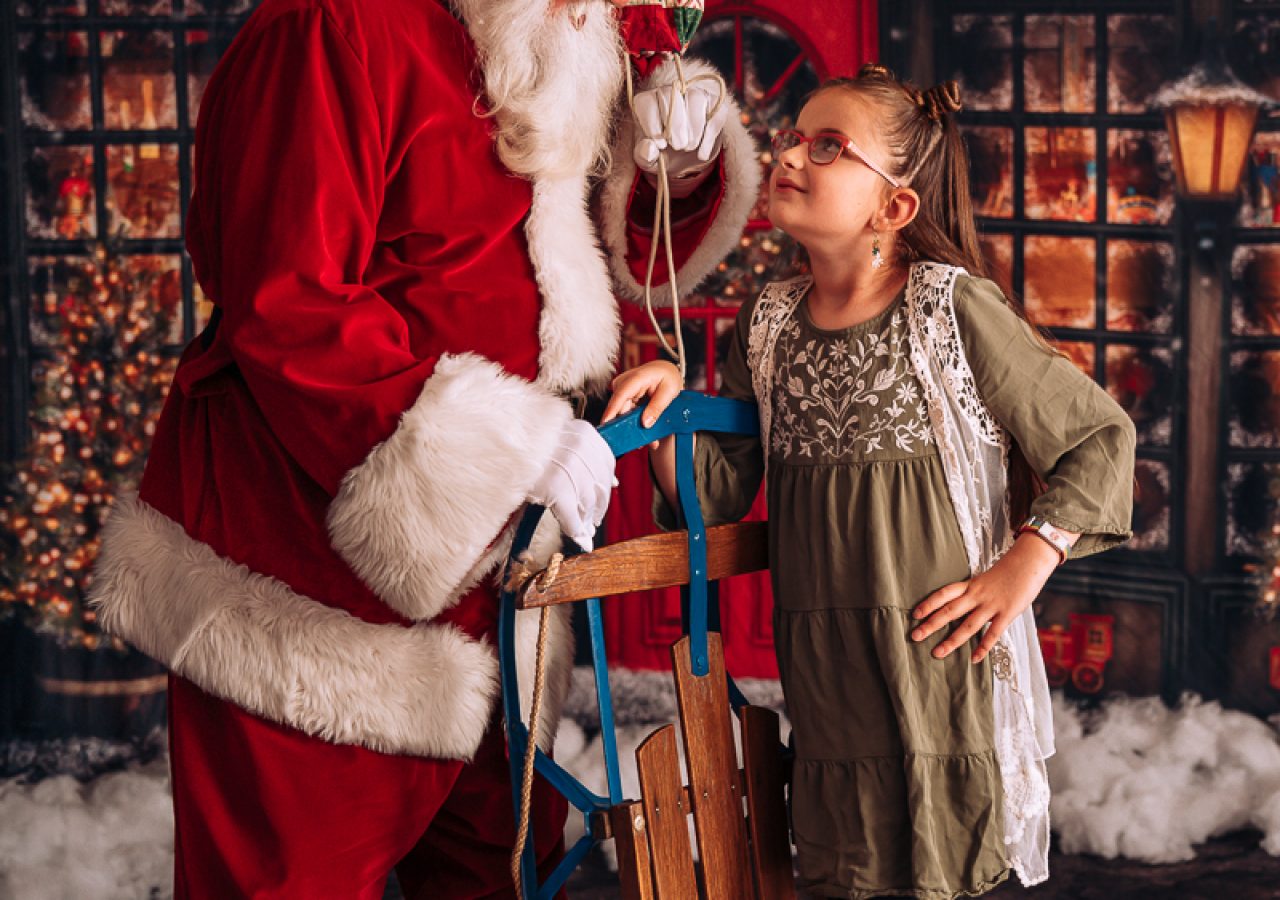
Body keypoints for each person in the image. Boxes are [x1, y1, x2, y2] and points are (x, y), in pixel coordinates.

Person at [87, 0, 761, 896]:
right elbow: (289, 304)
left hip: (504, 584)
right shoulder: (327, 25)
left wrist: (672, 175)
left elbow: (576, 255)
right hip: (307, 585)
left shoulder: (541, 27)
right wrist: (509, 447)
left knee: (501, 873)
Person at [604, 64, 1136, 898]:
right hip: (827, 670)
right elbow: (712, 496)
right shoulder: (770, 323)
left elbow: (1101, 439)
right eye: (791, 139)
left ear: (893, 208)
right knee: (848, 872)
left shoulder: (946, 310)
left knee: (940, 860)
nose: (790, 156)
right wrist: (669, 415)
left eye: (828, 147)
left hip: (939, 658)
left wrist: (1023, 567)